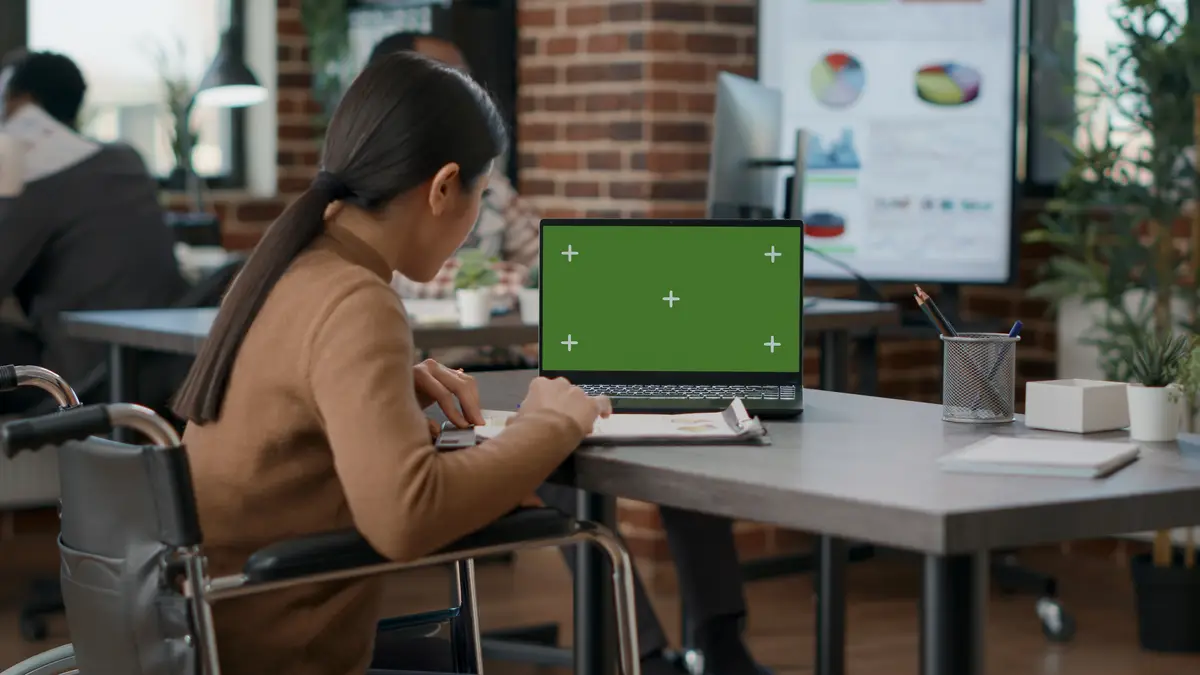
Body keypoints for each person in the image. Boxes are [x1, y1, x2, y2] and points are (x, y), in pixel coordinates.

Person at [173, 51, 612, 675]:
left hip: (216, 638)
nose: (471, 224)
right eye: (478, 200)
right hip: (285, 653)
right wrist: (551, 424)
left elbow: (282, 417)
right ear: (441, 188)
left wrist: (384, 392)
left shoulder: (292, 267)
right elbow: (407, 518)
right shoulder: (358, 301)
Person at [365, 33, 767, 675]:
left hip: (520, 370)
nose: (466, 99)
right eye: (447, 83)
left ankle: (719, 640)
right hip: (454, 385)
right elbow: (429, 280)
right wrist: (507, 281)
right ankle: (650, 655)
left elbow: (551, 267)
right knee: (575, 478)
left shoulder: (490, 187)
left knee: (675, 422)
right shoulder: (377, 204)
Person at [0, 50, 187, 413]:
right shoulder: (126, 158)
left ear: (25, 103)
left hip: (75, 379)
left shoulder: (33, 175)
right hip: (159, 373)